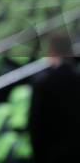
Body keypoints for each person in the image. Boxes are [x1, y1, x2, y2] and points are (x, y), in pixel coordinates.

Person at [29, 32, 80, 162]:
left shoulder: (43, 83)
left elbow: (36, 123)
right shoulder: (76, 78)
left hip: (52, 152)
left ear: (51, 51)